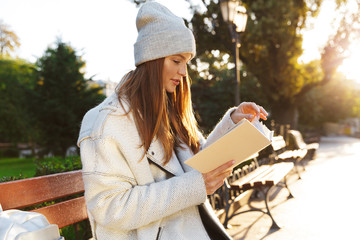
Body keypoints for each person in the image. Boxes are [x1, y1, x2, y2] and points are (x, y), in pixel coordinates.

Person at [77, 1, 268, 239]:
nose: (184, 72)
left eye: (186, 63)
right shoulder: (106, 122)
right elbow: (109, 208)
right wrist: (194, 187)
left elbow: (196, 165)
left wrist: (234, 124)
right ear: (152, 59)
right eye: (176, 61)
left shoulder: (168, 109)